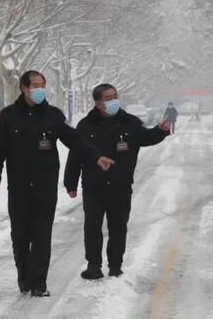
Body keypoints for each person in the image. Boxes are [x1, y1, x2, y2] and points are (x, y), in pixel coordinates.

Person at [0, 70, 115, 297]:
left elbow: (75, 140)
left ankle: (39, 283)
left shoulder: (53, 115)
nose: (40, 89)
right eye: (35, 85)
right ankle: (24, 275)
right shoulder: (8, 116)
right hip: (18, 188)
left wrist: (96, 156)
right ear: (24, 88)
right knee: (20, 236)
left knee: (41, 236)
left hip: (45, 188)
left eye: (42, 84)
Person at [63, 83, 171, 280]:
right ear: (97, 102)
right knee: (92, 227)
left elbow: (146, 137)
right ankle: (94, 265)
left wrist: (160, 131)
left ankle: (115, 266)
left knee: (118, 227)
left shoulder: (130, 123)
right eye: (108, 98)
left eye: (115, 96)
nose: (113, 101)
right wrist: (70, 183)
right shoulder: (85, 126)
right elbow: (76, 155)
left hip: (120, 186)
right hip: (93, 186)